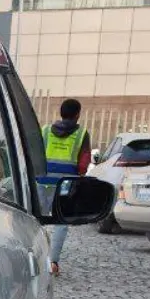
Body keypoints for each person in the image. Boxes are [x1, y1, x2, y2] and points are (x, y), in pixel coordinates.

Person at [41, 97, 93, 275]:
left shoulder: (46, 130)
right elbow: (84, 161)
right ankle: (53, 262)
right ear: (77, 114)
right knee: (61, 222)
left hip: (43, 181)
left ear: (61, 113)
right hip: (66, 184)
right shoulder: (81, 133)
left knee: (35, 219)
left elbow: (35, 152)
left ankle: (33, 256)